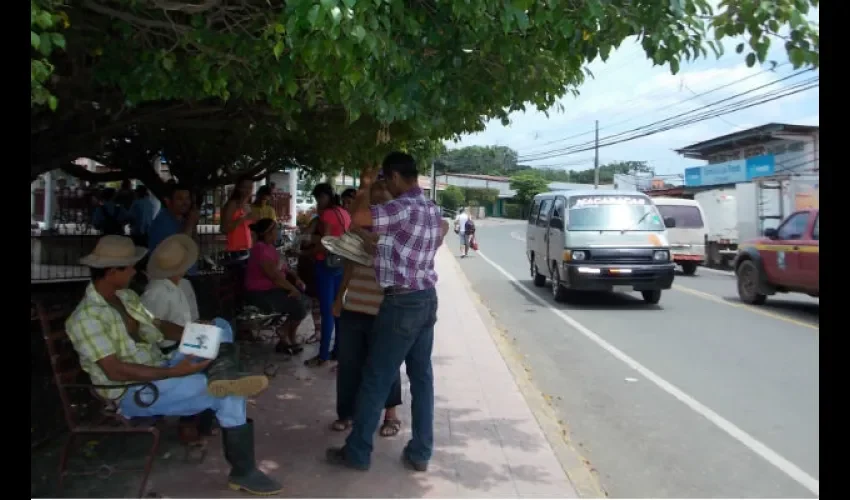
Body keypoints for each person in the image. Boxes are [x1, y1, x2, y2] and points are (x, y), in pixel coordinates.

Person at [65, 235, 281, 495]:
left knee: (219, 330)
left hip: (160, 365)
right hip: (133, 391)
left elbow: (157, 326)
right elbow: (115, 371)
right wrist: (174, 372)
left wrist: (195, 333)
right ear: (112, 271)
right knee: (228, 393)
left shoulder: (125, 296)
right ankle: (243, 470)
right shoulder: (85, 318)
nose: (136, 270)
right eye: (130, 266)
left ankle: (222, 374)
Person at [326, 152, 444, 472]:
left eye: (383, 180)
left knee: (376, 378)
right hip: (426, 297)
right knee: (422, 379)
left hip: (401, 302)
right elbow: (399, 242)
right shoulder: (432, 209)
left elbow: (354, 219)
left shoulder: (401, 207)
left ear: (392, 176)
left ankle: (358, 452)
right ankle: (421, 452)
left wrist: (364, 186)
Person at [330, 180, 402, 438]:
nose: (378, 202)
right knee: (348, 363)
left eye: (383, 197)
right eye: (374, 198)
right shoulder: (360, 228)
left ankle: (391, 415)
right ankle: (346, 413)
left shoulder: (399, 227)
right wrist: (339, 299)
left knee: (385, 365)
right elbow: (349, 264)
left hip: (385, 307)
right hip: (355, 305)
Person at [243, 218, 310, 354]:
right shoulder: (260, 249)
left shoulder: (270, 248)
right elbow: (274, 276)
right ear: (268, 233)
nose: (278, 232)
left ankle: (286, 334)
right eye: (275, 230)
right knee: (299, 305)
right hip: (261, 293)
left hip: (273, 289)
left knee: (304, 302)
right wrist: (291, 289)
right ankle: (285, 334)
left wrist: (296, 279)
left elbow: (284, 268)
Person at [304, 184, 351, 368]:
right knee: (337, 308)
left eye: (318, 199)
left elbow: (326, 243)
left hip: (325, 265)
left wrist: (307, 252)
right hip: (341, 264)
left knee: (327, 311)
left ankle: (323, 355)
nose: (318, 203)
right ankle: (338, 351)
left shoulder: (327, 215)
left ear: (325, 196)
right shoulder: (344, 213)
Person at [147, 183, 200, 275]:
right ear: (168, 201)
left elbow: (194, 246)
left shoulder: (183, 220)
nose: (185, 203)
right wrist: (190, 224)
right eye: (180, 199)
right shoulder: (162, 222)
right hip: (171, 278)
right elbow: (177, 251)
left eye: (187, 198)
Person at [220, 175, 256, 265]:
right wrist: (243, 218)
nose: (247, 190)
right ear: (238, 188)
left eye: (250, 188)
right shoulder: (233, 204)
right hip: (235, 251)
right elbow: (224, 228)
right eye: (244, 187)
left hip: (248, 248)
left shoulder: (248, 205)